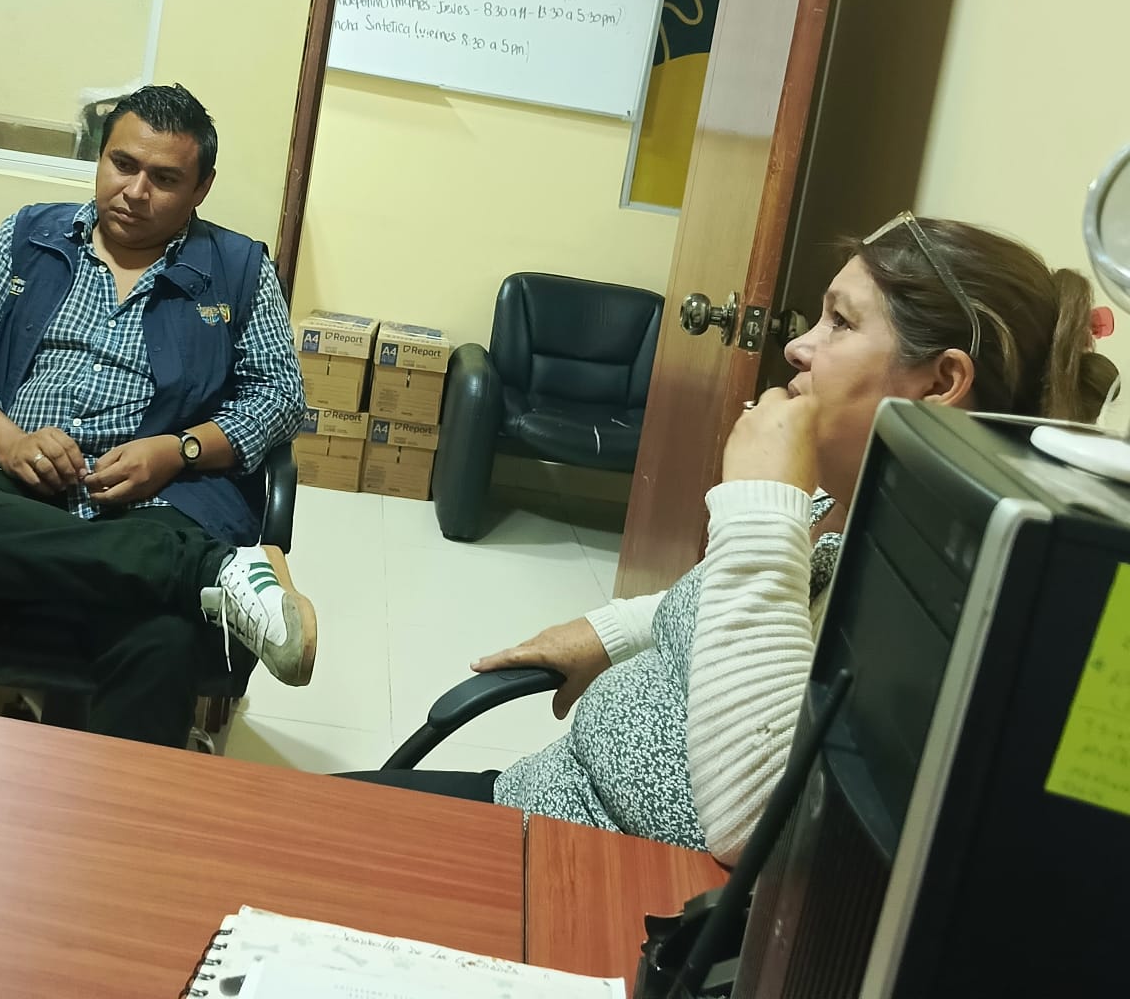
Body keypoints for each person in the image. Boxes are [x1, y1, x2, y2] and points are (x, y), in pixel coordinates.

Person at [351, 215, 1117, 863]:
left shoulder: (926, 593)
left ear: (941, 383)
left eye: (841, 323)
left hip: (598, 870)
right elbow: (727, 606)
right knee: (296, 824)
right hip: (544, 795)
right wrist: (608, 632)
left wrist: (758, 508)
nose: (798, 348)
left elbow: (755, 825)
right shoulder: (832, 501)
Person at [0, 83, 312, 748]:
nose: (135, 191)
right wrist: (8, 442)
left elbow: (278, 395)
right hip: (15, 489)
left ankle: (117, 814)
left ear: (201, 188)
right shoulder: (30, 237)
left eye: (165, 179)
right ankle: (206, 570)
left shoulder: (238, 268)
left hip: (162, 503)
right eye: (122, 165)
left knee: (163, 640)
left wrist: (177, 451)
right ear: (100, 158)